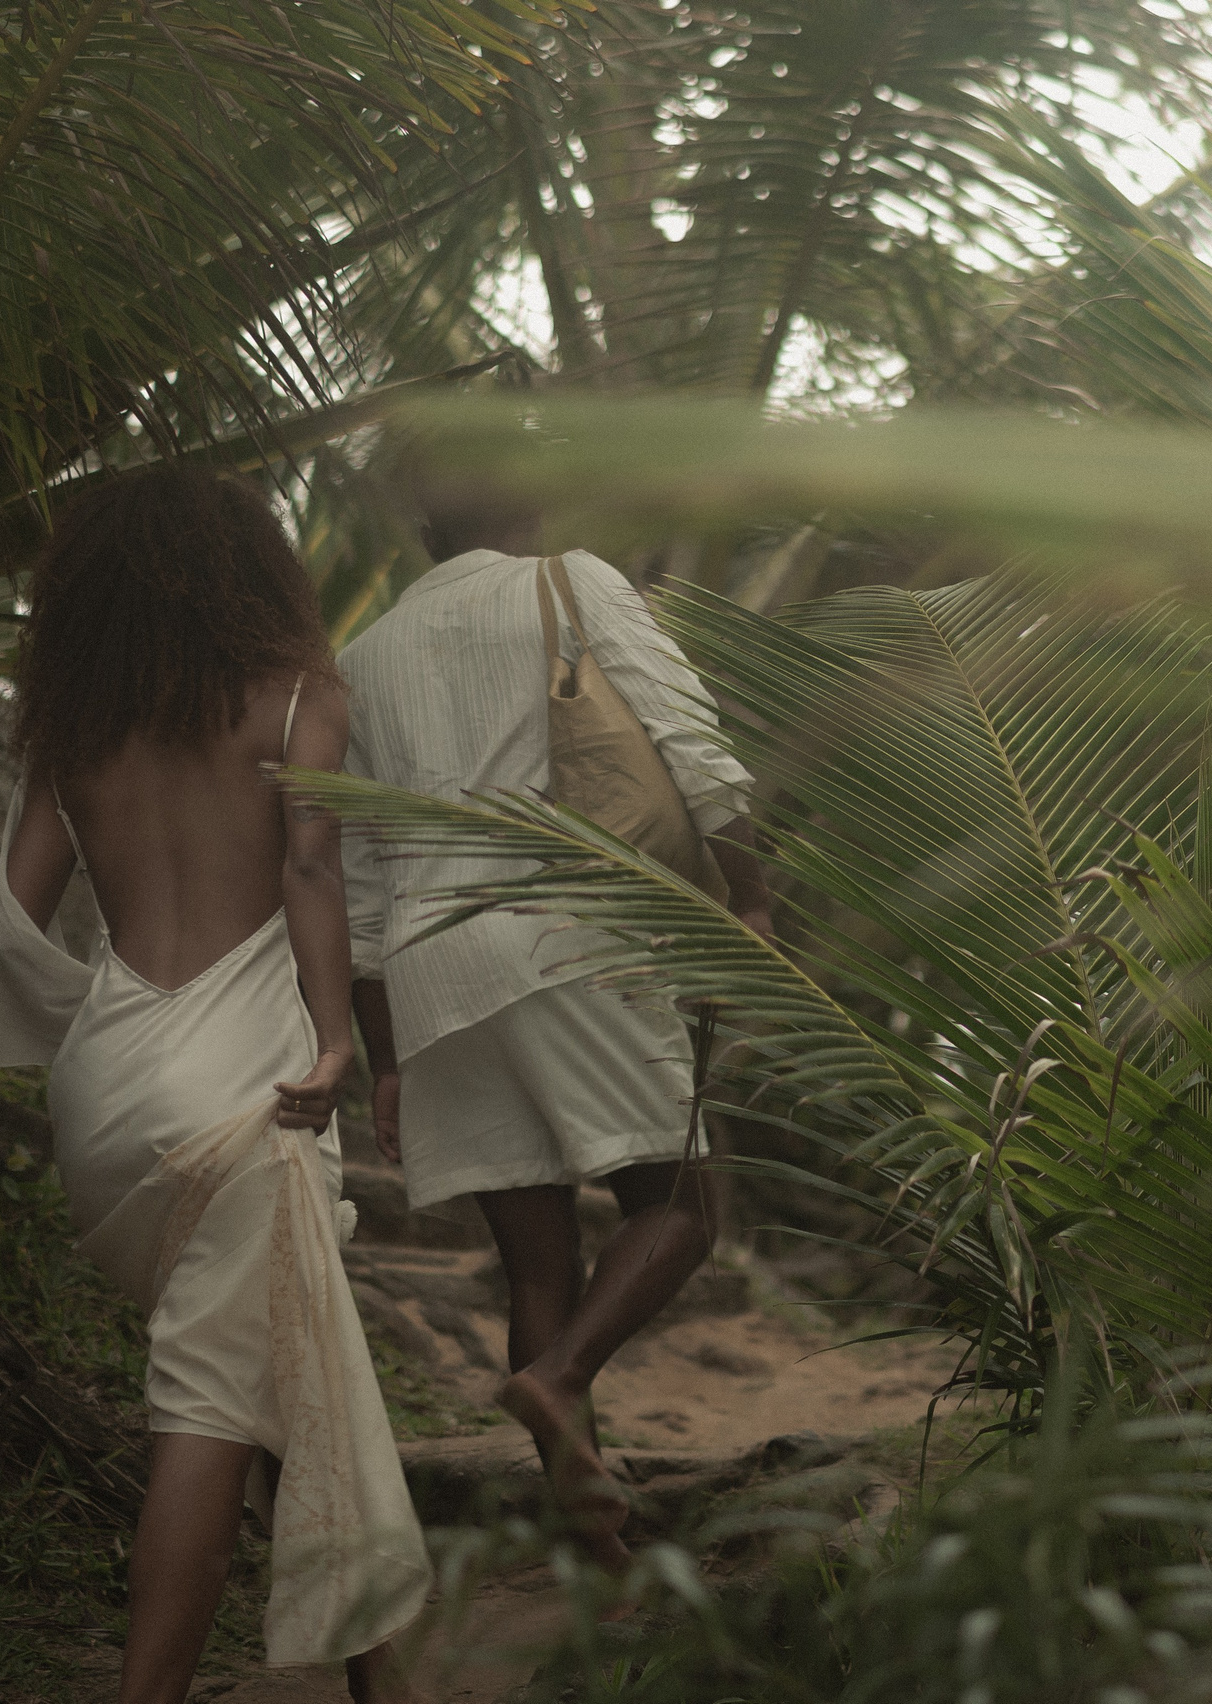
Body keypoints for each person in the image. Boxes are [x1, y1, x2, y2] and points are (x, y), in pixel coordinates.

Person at [0, 465, 428, 1704]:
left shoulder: (74, 731)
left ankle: (388, 1682)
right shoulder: (298, 700)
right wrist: (337, 1046)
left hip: (112, 1084)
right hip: (249, 1084)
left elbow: (19, 913)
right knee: (214, 1398)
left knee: (284, 1345)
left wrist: (85, 1039)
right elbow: (312, 871)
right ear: (250, 571)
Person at [339, 459, 772, 1571]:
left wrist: (385, 1062)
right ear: (532, 510)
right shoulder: (571, 583)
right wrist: (754, 893)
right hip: (565, 922)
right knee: (678, 1205)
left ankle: (596, 1555)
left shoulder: (362, 660)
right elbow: (690, 744)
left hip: (434, 965)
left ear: (425, 527)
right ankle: (560, 1377)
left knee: (538, 1267)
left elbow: (357, 882)